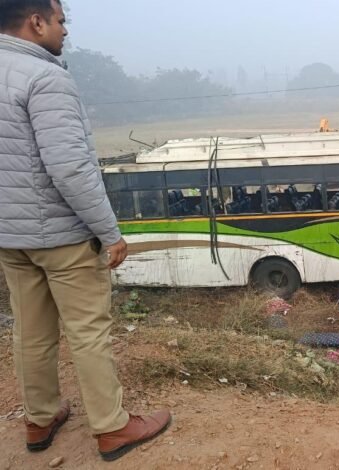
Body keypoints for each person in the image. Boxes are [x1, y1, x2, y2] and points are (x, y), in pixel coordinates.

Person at [0, 0, 170, 461]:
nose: (65, 31)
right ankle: (112, 428)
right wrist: (109, 232)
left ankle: (39, 419)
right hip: (63, 237)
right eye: (61, 20)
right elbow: (70, 168)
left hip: (10, 237)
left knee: (30, 331)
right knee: (88, 331)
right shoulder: (45, 77)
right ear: (36, 22)